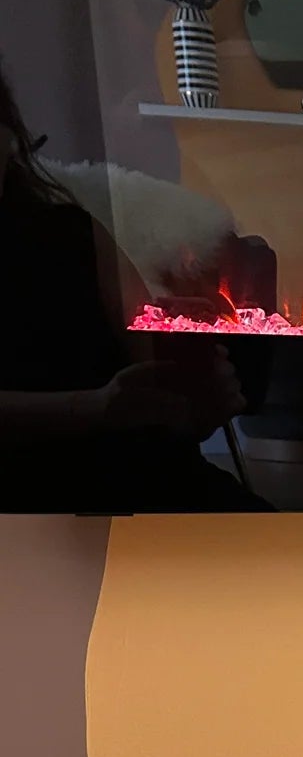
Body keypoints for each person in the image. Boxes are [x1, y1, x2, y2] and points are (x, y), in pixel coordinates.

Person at [0, 61, 266, 511]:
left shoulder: (75, 233)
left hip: (141, 478)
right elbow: (118, 406)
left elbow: (159, 395)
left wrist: (200, 387)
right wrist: (95, 408)